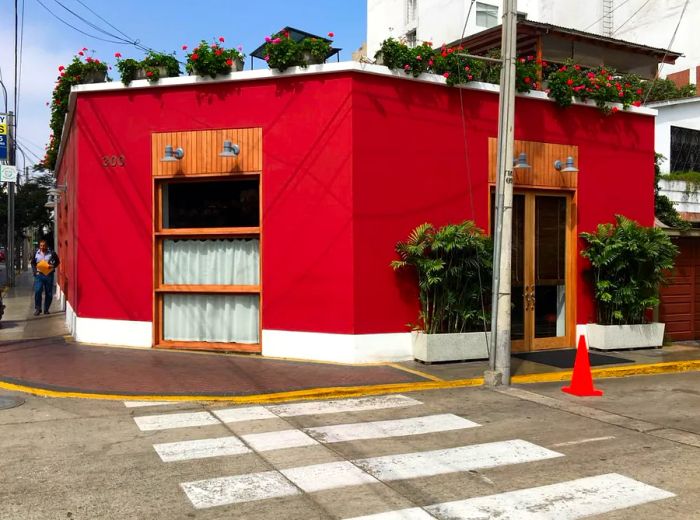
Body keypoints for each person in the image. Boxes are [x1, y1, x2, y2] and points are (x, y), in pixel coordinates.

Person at [31, 239, 60, 316]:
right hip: (39, 275)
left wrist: (53, 266)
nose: (42, 247)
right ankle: (38, 309)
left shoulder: (52, 253)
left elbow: (57, 261)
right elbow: (33, 263)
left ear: (46, 246)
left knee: (49, 293)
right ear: (39, 246)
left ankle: (46, 309)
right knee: (38, 291)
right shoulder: (36, 253)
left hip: (49, 275)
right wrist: (35, 272)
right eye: (41, 245)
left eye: (44, 245)